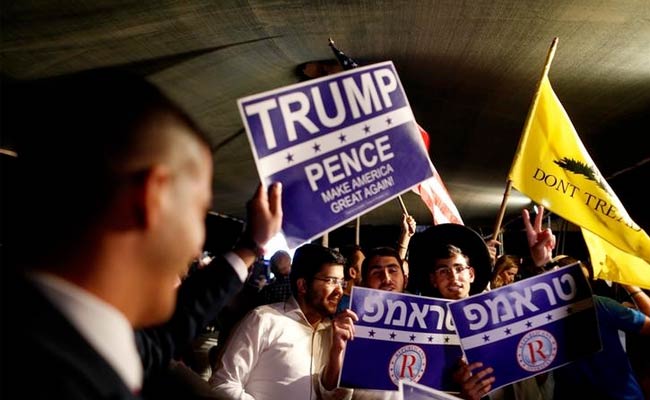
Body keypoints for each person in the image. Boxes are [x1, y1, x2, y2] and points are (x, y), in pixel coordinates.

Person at [1, 68, 283, 400]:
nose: (196, 248)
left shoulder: (63, 334)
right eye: (196, 210)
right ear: (153, 198)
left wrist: (251, 246)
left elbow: (164, 335)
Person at [209, 243, 355, 399]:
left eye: (341, 282)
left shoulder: (335, 332)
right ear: (303, 285)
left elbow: (335, 397)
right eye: (331, 281)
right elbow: (223, 384)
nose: (339, 291)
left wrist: (337, 353)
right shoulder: (264, 320)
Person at [337, 244, 365, 313]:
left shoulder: (335, 301)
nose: (367, 270)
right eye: (364, 266)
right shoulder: (346, 306)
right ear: (352, 272)